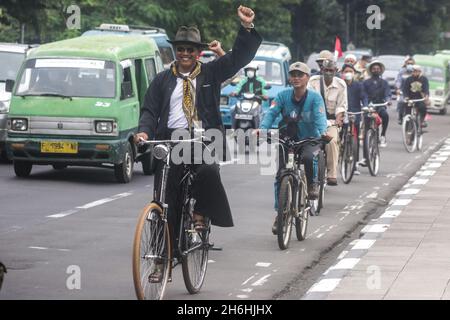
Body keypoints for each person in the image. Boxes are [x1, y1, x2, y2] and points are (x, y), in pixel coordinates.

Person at [135, 5, 262, 262]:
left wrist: (246, 27)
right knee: (164, 201)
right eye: (180, 49)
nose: (184, 54)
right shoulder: (161, 80)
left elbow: (238, 57)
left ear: (198, 53)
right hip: (170, 139)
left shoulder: (211, 73)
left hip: (202, 139)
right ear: (175, 51)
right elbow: (149, 111)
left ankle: (201, 213)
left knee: (208, 170)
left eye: (190, 50)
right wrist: (144, 134)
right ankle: (163, 256)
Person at [259, 61, 328, 235]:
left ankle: (312, 185)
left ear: (307, 78)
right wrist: (262, 129)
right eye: (293, 75)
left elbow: (320, 118)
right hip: (287, 139)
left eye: (300, 75)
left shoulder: (315, 98)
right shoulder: (282, 96)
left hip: (309, 138)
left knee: (307, 158)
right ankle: (280, 213)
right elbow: (271, 113)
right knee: (281, 174)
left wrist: (324, 133)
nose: (296, 78)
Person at [308, 59, 348, 186]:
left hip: (331, 121)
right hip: (314, 120)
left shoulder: (341, 84)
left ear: (336, 71)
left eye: (331, 70)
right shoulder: (313, 82)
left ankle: (332, 174)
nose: (329, 73)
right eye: (326, 70)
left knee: (331, 141)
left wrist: (338, 119)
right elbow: (308, 101)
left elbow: (342, 106)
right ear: (322, 70)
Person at [341, 64, 368, 175]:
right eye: (346, 71)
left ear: (354, 73)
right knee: (341, 136)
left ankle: (355, 164)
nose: (348, 73)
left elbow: (364, 96)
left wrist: (365, 105)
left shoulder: (358, 85)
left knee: (355, 140)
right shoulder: (340, 85)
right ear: (342, 73)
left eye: (350, 71)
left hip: (355, 114)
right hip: (342, 114)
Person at [362, 60, 391, 149]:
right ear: (371, 70)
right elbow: (364, 95)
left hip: (380, 105)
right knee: (366, 120)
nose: (376, 70)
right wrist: (365, 104)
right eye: (374, 69)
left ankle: (382, 135)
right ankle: (365, 137)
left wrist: (387, 100)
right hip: (369, 106)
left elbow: (387, 93)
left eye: (378, 69)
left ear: (381, 70)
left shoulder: (384, 82)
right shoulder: (365, 83)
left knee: (385, 115)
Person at [396, 56, 415, 124]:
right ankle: (400, 117)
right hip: (403, 91)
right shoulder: (402, 71)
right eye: (408, 63)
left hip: (413, 92)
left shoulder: (416, 71)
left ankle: (421, 120)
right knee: (401, 102)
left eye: (411, 63)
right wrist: (398, 88)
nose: (410, 65)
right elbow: (398, 80)